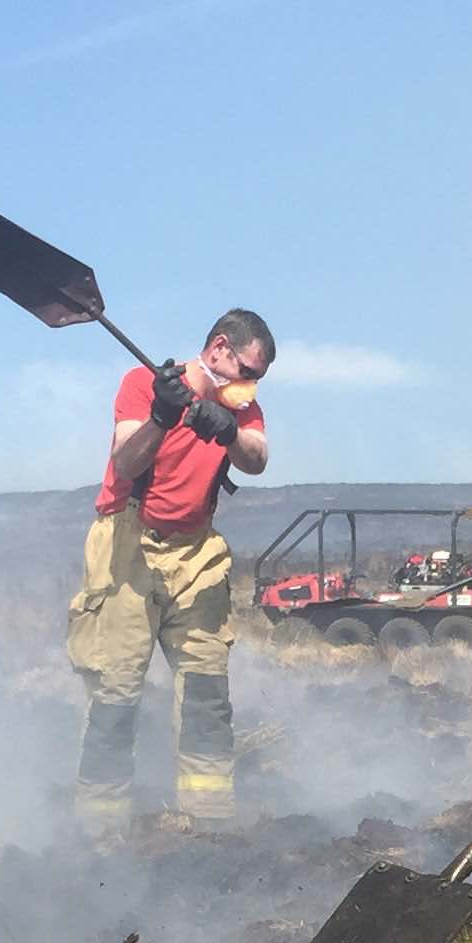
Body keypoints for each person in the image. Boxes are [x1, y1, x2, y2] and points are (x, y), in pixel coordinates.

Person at [67, 309, 274, 839]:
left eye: (258, 379)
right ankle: (100, 831)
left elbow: (257, 460)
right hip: (128, 543)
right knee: (115, 692)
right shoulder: (143, 385)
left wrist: (227, 429)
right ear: (220, 349)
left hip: (196, 550)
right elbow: (126, 462)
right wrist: (163, 415)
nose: (251, 385)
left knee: (208, 690)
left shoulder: (242, 407)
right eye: (247, 370)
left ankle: (209, 828)